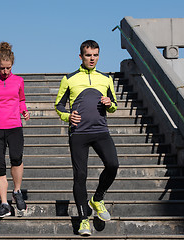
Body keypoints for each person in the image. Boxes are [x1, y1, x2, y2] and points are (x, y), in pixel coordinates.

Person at [54, 40, 119, 236]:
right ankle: (83, 219)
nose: (92, 59)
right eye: (89, 55)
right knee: (80, 176)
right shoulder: (69, 78)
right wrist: (67, 116)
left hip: (100, 131)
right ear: (81, 56)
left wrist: (109, 104)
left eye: (96, 55)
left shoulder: (106, 79)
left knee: (113, 164)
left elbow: (114, 105)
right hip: (79, 133)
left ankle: (97, 199)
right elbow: (59, 105)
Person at [0, 41, 30, 218]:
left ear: (12, 65)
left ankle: (17, 192)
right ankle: (4, 204)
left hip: (14, 126)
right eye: (2, 68)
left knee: (16, 159)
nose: (5, 71)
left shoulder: (18, 81)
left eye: (8, 68)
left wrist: (24, 110)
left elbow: (21, 99)